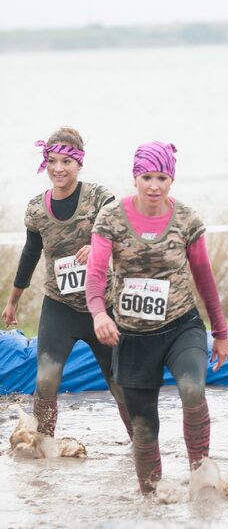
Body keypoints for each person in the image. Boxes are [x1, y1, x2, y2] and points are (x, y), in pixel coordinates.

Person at [86, 141, 228, 493]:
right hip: (132, 336)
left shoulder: (186, 219)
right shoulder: (111, 218)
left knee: (193, 391)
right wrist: (99, 313)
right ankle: (153, 500)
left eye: (162, 177)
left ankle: (201, 477)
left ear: (171, 180)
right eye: (147, 177)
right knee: (144, 427)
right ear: (135, 178)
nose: (154, 185)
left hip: (182, 326)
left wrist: (220, 331)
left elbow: (204, 277)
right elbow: (96, 272)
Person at [2, 128, 133, 441]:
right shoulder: (36, 209)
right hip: (59, 307)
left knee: (118, 381)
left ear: (79, 164)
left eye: (66, 161)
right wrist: (13, 300)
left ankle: (141, 446)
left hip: (103, 306)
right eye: (52, 160)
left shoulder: (100, 198)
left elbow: (123, 235)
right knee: (46, 380)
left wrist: (100, 246)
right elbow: (30, 253)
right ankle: (43, 448)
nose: (58, 168)